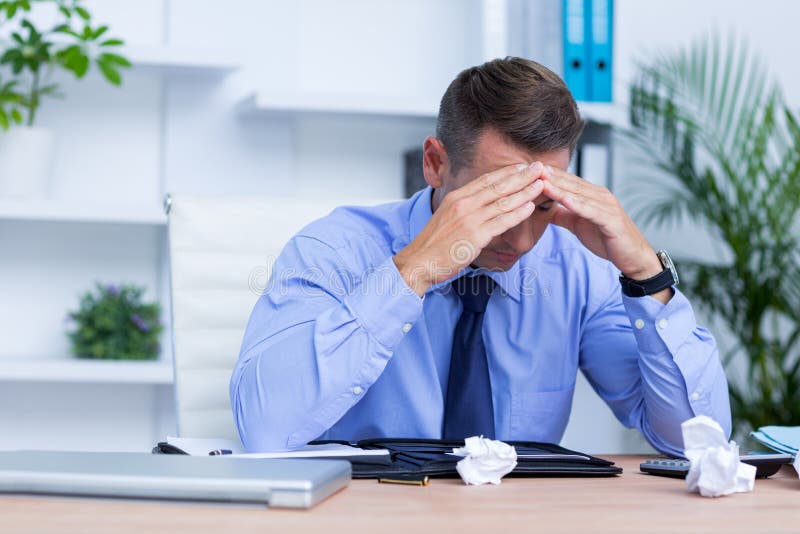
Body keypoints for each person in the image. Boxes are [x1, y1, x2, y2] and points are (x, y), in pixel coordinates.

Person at [230, 57, 731, 455]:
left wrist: (645, 273)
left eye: (539, 205)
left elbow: (695, 442)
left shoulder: (577, 269)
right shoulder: (332, 252)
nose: (519, 239)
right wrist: (414, 272)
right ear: (435, 163)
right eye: (496, 200)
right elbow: (265, 429)